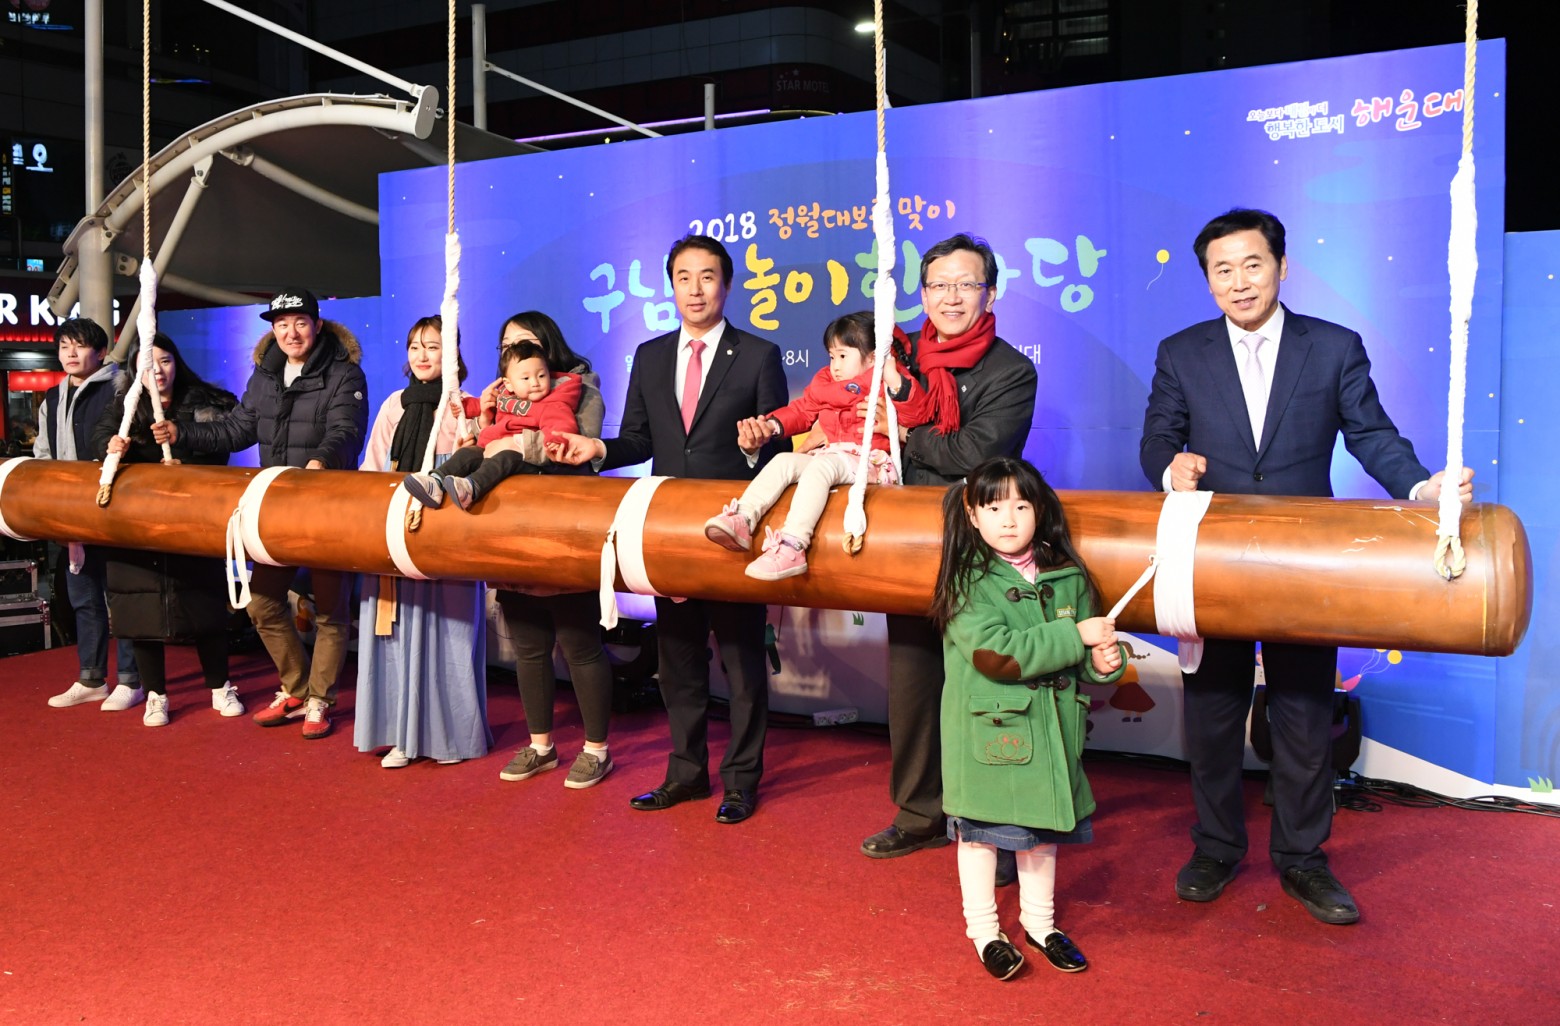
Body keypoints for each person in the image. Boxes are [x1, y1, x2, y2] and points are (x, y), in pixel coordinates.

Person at [1140, 208, 1475, 925]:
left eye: (1252, 264)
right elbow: (1156, 440)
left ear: (1282, 267)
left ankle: (1302, 858)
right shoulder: (1181, 352)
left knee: (1303, 713)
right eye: (1222, 270)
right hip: (1213, 561)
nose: (1239, 281)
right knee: (1212, 714)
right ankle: (1216, 847)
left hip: (1304, 563)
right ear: (1208, 281)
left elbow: (1373, 436)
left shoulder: (1332, 346)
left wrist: (1422, 489)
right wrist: (1170, 469)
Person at [553, 234, 788, 824]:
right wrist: (597, 449)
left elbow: (779, 449)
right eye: (684, 277)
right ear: (672, 286)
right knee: (678, 662)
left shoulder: (759, 355)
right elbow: (639, 438)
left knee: (742, 665)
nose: (695, 289)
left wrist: (756, 444)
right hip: (668, 535)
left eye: (707, 277)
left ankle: (741, 782)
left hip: (733, 532)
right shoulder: (651, 355)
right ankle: (685, 774)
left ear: (726, 285)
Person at [860, 234, 1039, 860]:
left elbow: (975, 455)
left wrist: (909, 434)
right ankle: (919, 813)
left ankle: (996, 825)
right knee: (912, 686)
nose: (951, 297)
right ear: (923, 292)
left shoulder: (1010, 371)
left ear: (990, 292)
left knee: (988, 689)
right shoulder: (897, 352)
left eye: (966, 284)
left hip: (978, 554)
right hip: (905, 544)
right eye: (938, 285)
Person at [931, 457, 1124, 980]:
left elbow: (1084, 658)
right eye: (995, 508)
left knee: (1041, 833)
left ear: (1040, 509)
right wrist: (1075, 637)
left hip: (1052, 732)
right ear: (973, 515)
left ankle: (1041, 925)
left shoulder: (1067, 575)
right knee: (978, 835)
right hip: (991, 732)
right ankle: (984, 932)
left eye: (1021, 506)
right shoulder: (966, 579)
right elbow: (998, 655)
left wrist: (1104, 662)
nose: (1009, 519)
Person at [154, 287, 368, 741]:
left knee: (331, 612)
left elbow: (346, 431)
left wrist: (321, 462)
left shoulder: (345, 373)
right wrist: (181, 432)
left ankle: (320, 700)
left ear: (317, 325)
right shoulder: (265, 374)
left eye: (300, 323)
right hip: (276, 508)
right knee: (262, 603)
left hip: (328, 506)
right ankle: (296, 688)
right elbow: (236, 430)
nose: (291, 333)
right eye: (282, 325)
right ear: (273, 330)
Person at [488, 311, 618, 791]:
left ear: (546, 343)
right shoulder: (501, 392)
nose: (515, 350)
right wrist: (482, 424)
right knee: (528, 647)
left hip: (565, 527)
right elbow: (479, 443)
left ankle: (597, 750)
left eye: (524, 341)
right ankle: (540, 745)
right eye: (506, 345)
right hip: (510, 528)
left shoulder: (581, 386)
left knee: (580, 645)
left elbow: (572, 449)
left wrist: (508, 444)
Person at [355, 315, 491, 767]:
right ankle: (399, 734)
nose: (422, 355)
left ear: (452, 352)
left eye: (433, 346)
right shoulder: (394, 405)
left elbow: (479, 467)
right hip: (395, 530)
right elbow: (373, 468)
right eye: (414, 346)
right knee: (395, 633)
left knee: (447, 633)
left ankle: (450, 737)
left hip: (446, 535)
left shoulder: (467, 406)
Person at [703, 310, 927, 581]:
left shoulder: (884, 380)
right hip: (833, 454)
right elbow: (802, 410)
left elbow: (918, 414)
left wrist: (895, 380)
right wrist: (772, 425)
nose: (835, 365)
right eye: (832, 356)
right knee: (784, 460)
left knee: (821, 466)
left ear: (871, 358)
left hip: (871, 461)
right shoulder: (825, 383)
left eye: (843, 356)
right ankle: (743, 518)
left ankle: (793, 544)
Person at [92, 335, 243, 726]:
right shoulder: (124, 405)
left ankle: (220, 685)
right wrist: (112, 446)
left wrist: (184, 454)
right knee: (140, 606)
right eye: (148, 363)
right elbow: (99, 440)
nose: (157, 370)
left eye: (165, 361)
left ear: (177, 363)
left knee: (205, 604)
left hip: (191, 521)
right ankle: (155, 694)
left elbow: (222, 449)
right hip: (137, 524)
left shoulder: (205, 402)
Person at [35, 318, 142, 712]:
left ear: (100, 352)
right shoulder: (52, 397)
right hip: (69, 511)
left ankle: (131, 680)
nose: (70, 353)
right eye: (64, 346)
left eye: (79, 346)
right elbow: (43, 455)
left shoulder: (122, 388)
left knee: (122, 596)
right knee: (83, 598)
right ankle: (91, 678)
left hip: (114, 507)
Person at [401, 340, 581, 511]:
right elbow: (480, 404)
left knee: (506, 457)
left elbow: (561, 428)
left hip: (526, 460)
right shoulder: (505, 395)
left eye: (541, 375)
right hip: (491, 448)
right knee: (467, 453)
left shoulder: (553, 404)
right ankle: (435, 482)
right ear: (509, 384)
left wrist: (556, 442)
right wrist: (463, 406)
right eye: (526, 378)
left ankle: (471, 488)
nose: (535, 383)